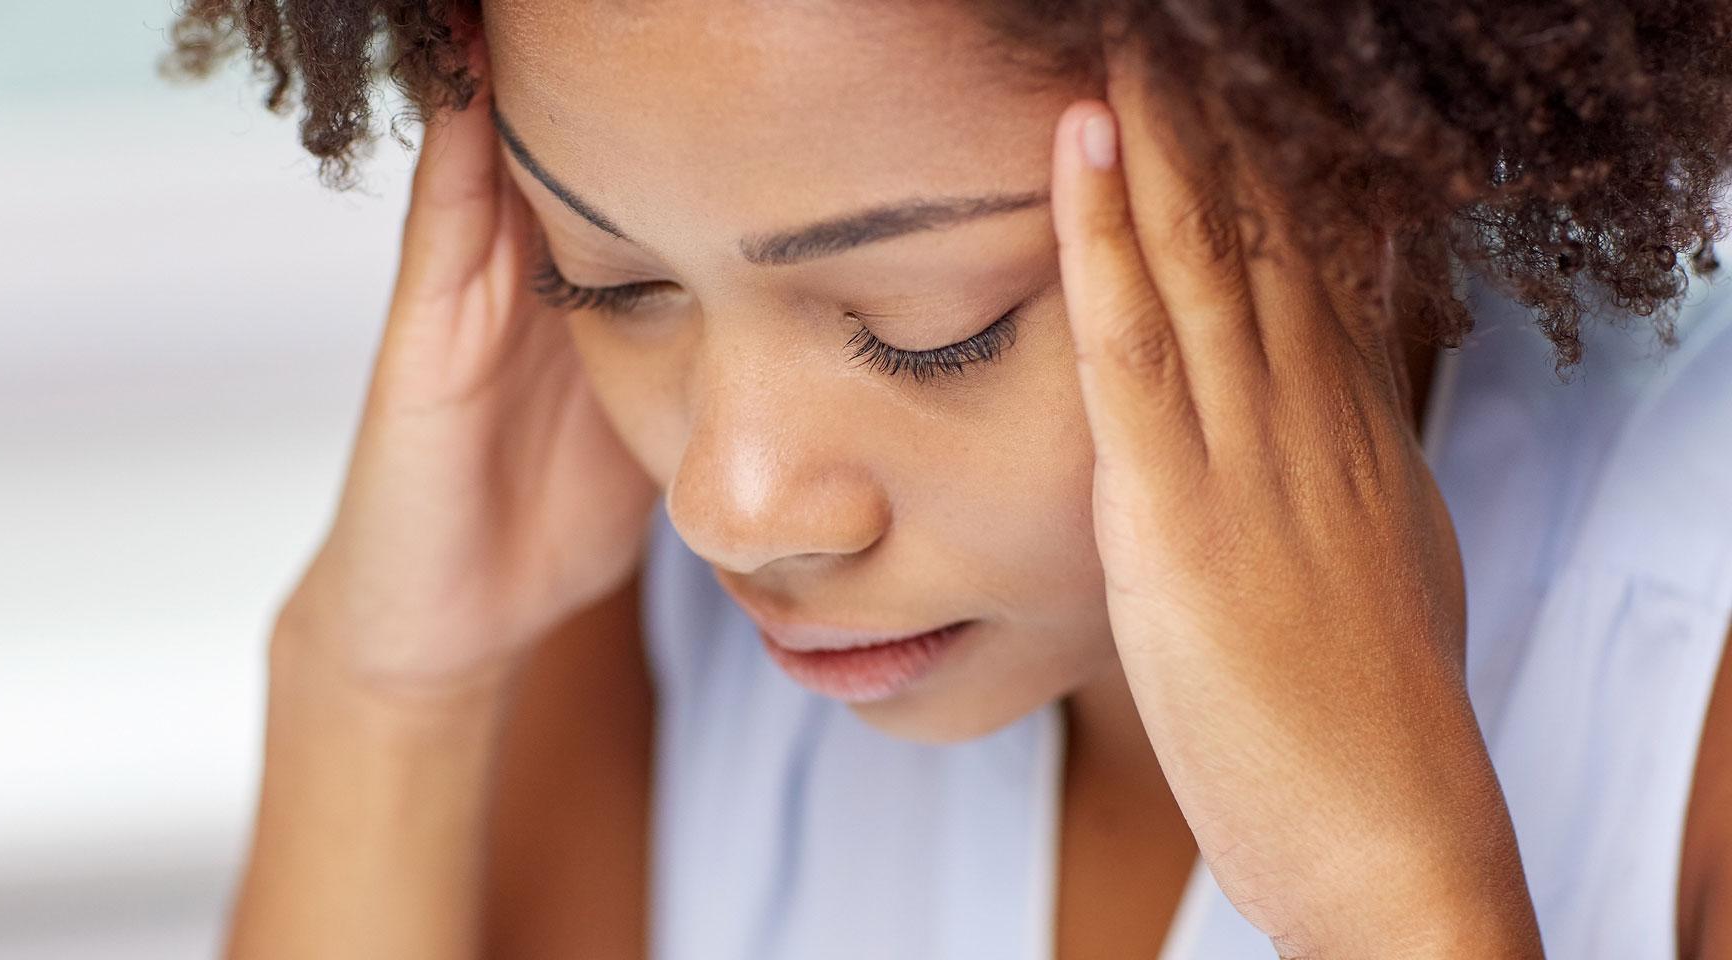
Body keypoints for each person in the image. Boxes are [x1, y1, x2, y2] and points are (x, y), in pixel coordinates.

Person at [165, 1, 1732, 957]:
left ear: (1334, 166)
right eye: (616, 285)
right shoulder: (631, 614)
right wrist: (374, 690)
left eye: (930, 330)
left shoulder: (1690, 686)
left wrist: (1400, 912)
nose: (733, 501)